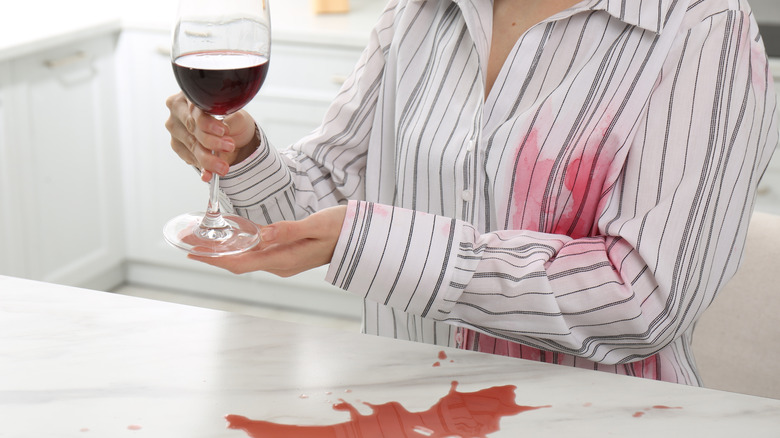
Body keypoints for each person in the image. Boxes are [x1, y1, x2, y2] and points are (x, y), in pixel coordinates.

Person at [165, 0, 778, 386]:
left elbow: (642, 299)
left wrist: (377, 243)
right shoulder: (418, 12)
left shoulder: (704, 29)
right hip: (402, 401)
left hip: (593, 418)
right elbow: (316, 201)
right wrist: (243, 154)